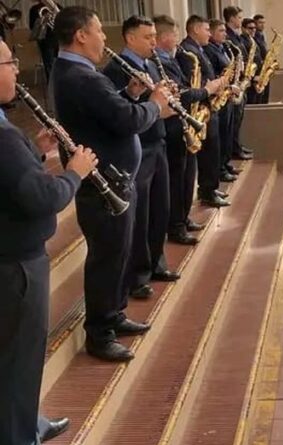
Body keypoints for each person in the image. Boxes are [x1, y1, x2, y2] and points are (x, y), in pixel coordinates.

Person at [50, 6, 172, 362]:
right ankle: (100, 334)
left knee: (118, 253)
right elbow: (126, 120)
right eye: (99, 30)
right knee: (107, 258)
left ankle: (114, 313)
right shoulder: (81, 77)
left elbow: (112, 113)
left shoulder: (78, 72)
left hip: (115, 181)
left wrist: (132, 95)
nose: (105, 37)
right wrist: (155, 105)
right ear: (81, 35)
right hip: (104, 186)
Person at [0, 36, 96, 445]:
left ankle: (25, 424)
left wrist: (37, 155)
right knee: (18, 363)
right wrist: (74, 172)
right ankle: (22, 441)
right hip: (16, 268)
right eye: (8, 62)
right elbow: (42, 198)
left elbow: (11, 187)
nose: (16, 69)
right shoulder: (3, 139)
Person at [102, 15, 181, 301]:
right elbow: (122, 112)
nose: (153, 41)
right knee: (143, 214)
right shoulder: (116, 69)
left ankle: (157, 262)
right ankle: (138, 276)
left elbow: (155, 106)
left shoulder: (150, 64)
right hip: (140, 147)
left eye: (153, 37)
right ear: (130, 38)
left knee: (161, 208)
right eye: (147, 37)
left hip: (158, 141)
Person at [153, 14, 223, 245]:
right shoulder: (160, 62)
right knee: (176, 178)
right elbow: (181, 93)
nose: (177, 38)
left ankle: (183, 217)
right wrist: (206, 91)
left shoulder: (171, 58)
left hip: (185, 125)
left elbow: (183, 86)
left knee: (187, 176)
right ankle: (176, 225)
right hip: (172, 127)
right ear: (165, 37)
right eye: (174, 34)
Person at [178, 15, 230, 207]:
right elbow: (192, 81)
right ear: (196, 30)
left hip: (207, 106)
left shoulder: (198, 49)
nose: (210, 33)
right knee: (208, 153)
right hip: (200, 108)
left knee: (213, 151)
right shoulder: (188, 51)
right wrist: (211, 87)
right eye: (207, 29)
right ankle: (207, 191)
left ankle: (211, 188)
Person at [204, 18, 240, 183]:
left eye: (225, 31)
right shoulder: (210, 50)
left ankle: (224, 164)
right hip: (218, 97)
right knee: (220, 136)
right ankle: (219, 169)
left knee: (227, 133)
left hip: (226, 94)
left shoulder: (223, 47)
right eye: (221, 31)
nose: (225, 34)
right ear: (211, 32)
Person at [223, 6, 254, 161]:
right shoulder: (227, 36)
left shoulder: (237, 36)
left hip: (241, 80)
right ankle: (234, 150)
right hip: (234, 82)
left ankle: (237, 146)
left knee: (238, 119)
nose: (241, 20)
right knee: (234, 121)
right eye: (240, 18)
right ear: (232, 18)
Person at [28, 0, 60, 82]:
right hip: (46, 42)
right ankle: (52, 86)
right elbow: (33, 27)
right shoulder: (34, 9)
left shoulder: (58, 6)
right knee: (49, 65)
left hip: (59, 40)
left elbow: (64, 22)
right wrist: (43, 21)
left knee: (60, 64)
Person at [252, 13, 269, 104]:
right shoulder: (254, 37)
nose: (262, 25)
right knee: (260, 98)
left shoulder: (262, 36)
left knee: (265, 96)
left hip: (264, 68)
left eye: (264, 23)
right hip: (259, 70)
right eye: (260, 23)